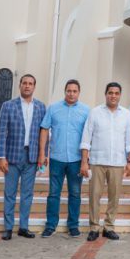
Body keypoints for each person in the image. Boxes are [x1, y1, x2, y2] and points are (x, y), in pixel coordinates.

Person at [80, 82, 130, 242]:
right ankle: (94, 227)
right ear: (106, 94)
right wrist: (85, 161)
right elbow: (86, 138)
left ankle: (109, 226)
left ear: (120, 95)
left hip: (118, 162)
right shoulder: (95, 112)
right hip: (97, 161)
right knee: (94, 195)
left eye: (116, 93)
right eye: (110, 93)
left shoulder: (126, 114)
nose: (113, 96)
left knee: (114, 196)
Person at [0, 73, 46, 241]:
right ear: (20, 85)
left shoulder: (40, 107)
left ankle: (23, 227)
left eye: (30, 83)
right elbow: (2, 132)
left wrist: (42, 155)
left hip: (31, 157)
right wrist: (1, 157)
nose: (27, 86)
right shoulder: (8, 106)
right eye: (24, 83)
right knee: (9, 192)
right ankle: (8, 227)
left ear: (34, 86)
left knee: (27, 194)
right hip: (11, 156)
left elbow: (43, 133)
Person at [38, 79, 90, 238]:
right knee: (54, 193)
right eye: (69, 90)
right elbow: (45, 130)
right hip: (56, 158)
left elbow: (88, 136)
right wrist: (42, 153)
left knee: (75, 193)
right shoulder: (53, 108)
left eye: (74, 91)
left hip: (76, 160)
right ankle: (51, 224)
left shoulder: (86, 111)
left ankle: (73, 225)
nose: (71, 93)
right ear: (65, 91)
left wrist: (85, 161)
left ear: (79, 93)